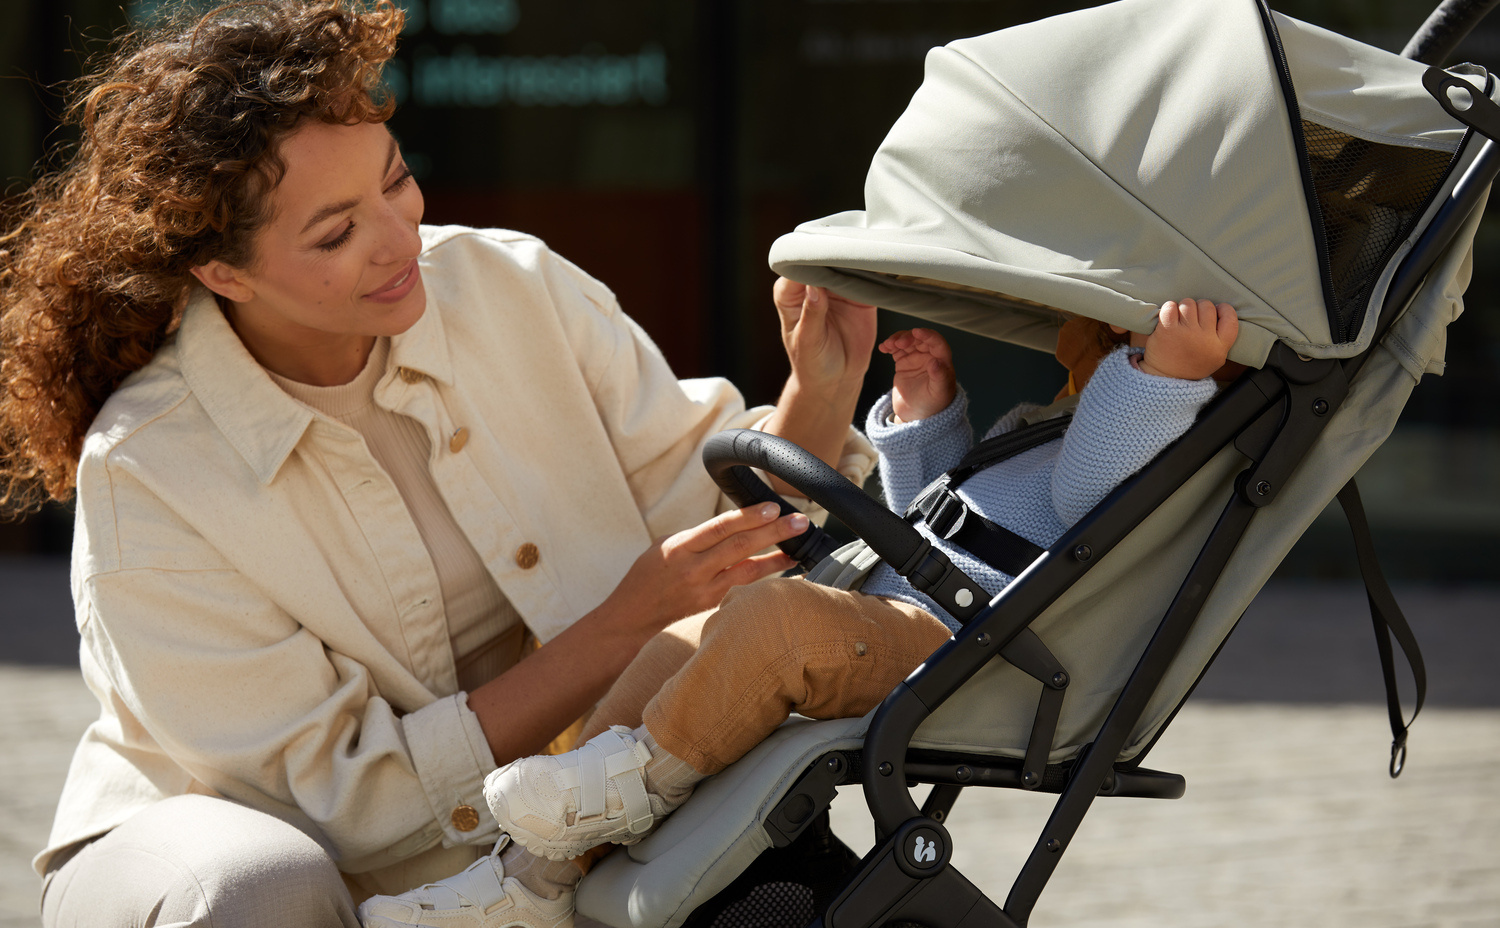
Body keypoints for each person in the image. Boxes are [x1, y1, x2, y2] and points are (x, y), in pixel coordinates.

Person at [0, 0, 877, 927]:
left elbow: (712, 544)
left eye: (395, 180)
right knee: (259, 886)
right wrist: (622, 626)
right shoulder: (148, 467)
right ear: (223, 273)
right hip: (231, 844)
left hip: (545, 829)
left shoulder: (513, 285)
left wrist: (821, 390)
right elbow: (340, 799)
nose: (398, 239)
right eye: (336, 233)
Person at [357, 299, 1239, 927]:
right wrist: (925, 417)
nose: (1111, 354)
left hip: (972, 650)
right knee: (684, 639)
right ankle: (532, 880)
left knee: (777, 621)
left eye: (1130, 346)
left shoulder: (1156, 444)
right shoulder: (1050, 424)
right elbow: (936, 517)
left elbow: (1095, 494)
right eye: (1118, 343)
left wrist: (1167, 377)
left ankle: (638, 784)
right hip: (912, 612)